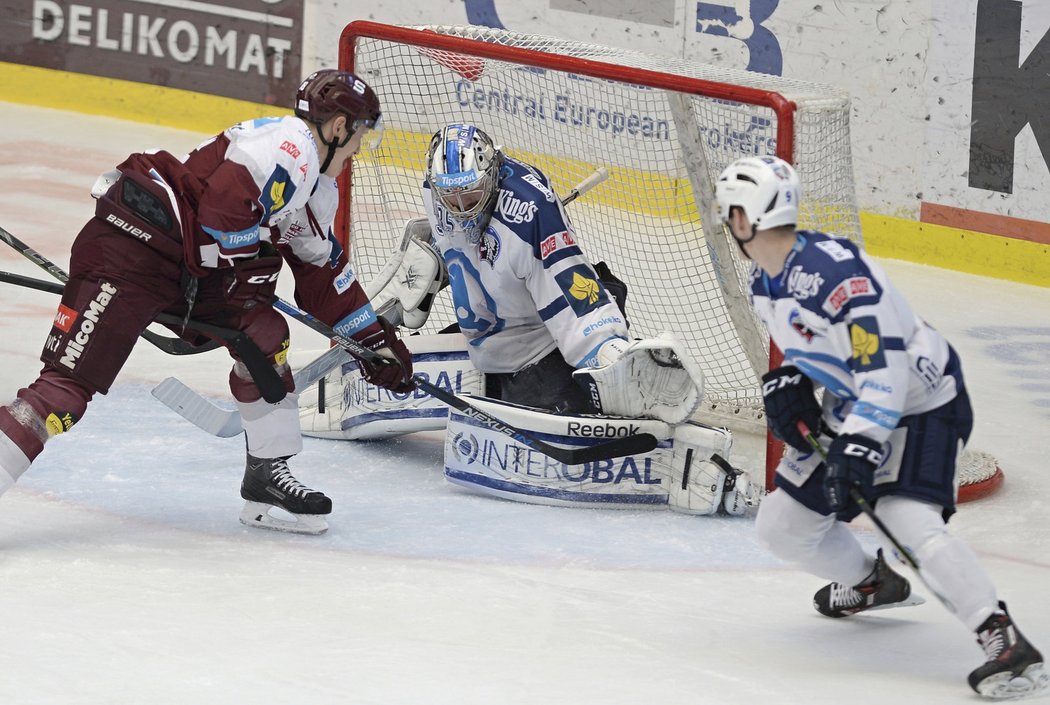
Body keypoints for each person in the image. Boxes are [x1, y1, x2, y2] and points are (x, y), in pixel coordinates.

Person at [0, 70, 414, 536]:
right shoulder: (287, 146)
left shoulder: (314, 186)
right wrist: (248, 267)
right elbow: (222, 215)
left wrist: (373, 340)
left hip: (187, 272)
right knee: (63, 395)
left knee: (265, 337)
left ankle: (266, 478)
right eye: (359, 134)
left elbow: (323, 273)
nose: (359, 147)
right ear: (338, 127)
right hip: (132, 254)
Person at [714, 154, 1047, 699]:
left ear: (749, 217)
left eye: (731, 212)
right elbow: (824, 350)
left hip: (923, 399)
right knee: (783, 526)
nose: (727, 223)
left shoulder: (838, 277)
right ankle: (873, 583)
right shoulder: (767, 279)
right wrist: (792, 382)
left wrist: (859, 448)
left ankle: (1001, 637)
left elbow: (884, 371)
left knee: (903, 516)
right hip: (859, 399)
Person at [420, 122, 703, 424]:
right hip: (495, 330)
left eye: (471, 195)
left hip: (539, 342)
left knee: (555, 408)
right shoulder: (437, 189)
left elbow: (567, 282)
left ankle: (612, 339)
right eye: (452, 197)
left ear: (491, 177)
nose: (462, 207)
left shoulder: (531, 211)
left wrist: (607, 355)